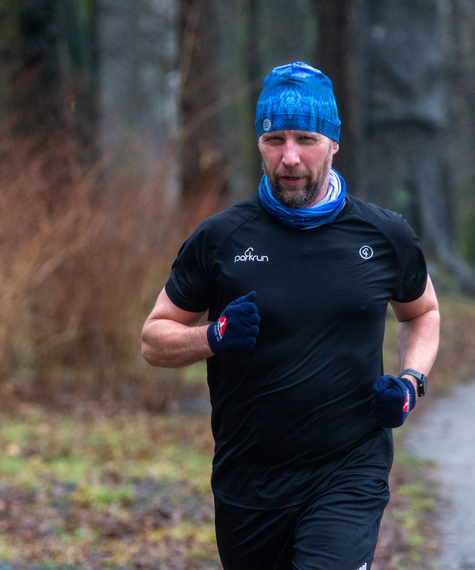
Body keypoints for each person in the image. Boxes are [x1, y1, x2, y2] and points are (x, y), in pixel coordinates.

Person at [141, 61, 440, 570]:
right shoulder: (222, 239)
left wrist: (410, 381)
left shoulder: (384, 235)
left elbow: (423, 312)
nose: (290, 157)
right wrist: (213, 336)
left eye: (306, 138)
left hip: (349, 466)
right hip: (249, 478)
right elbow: (154, 338)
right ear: (259, 144)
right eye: (274, 139)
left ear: (333, 143)